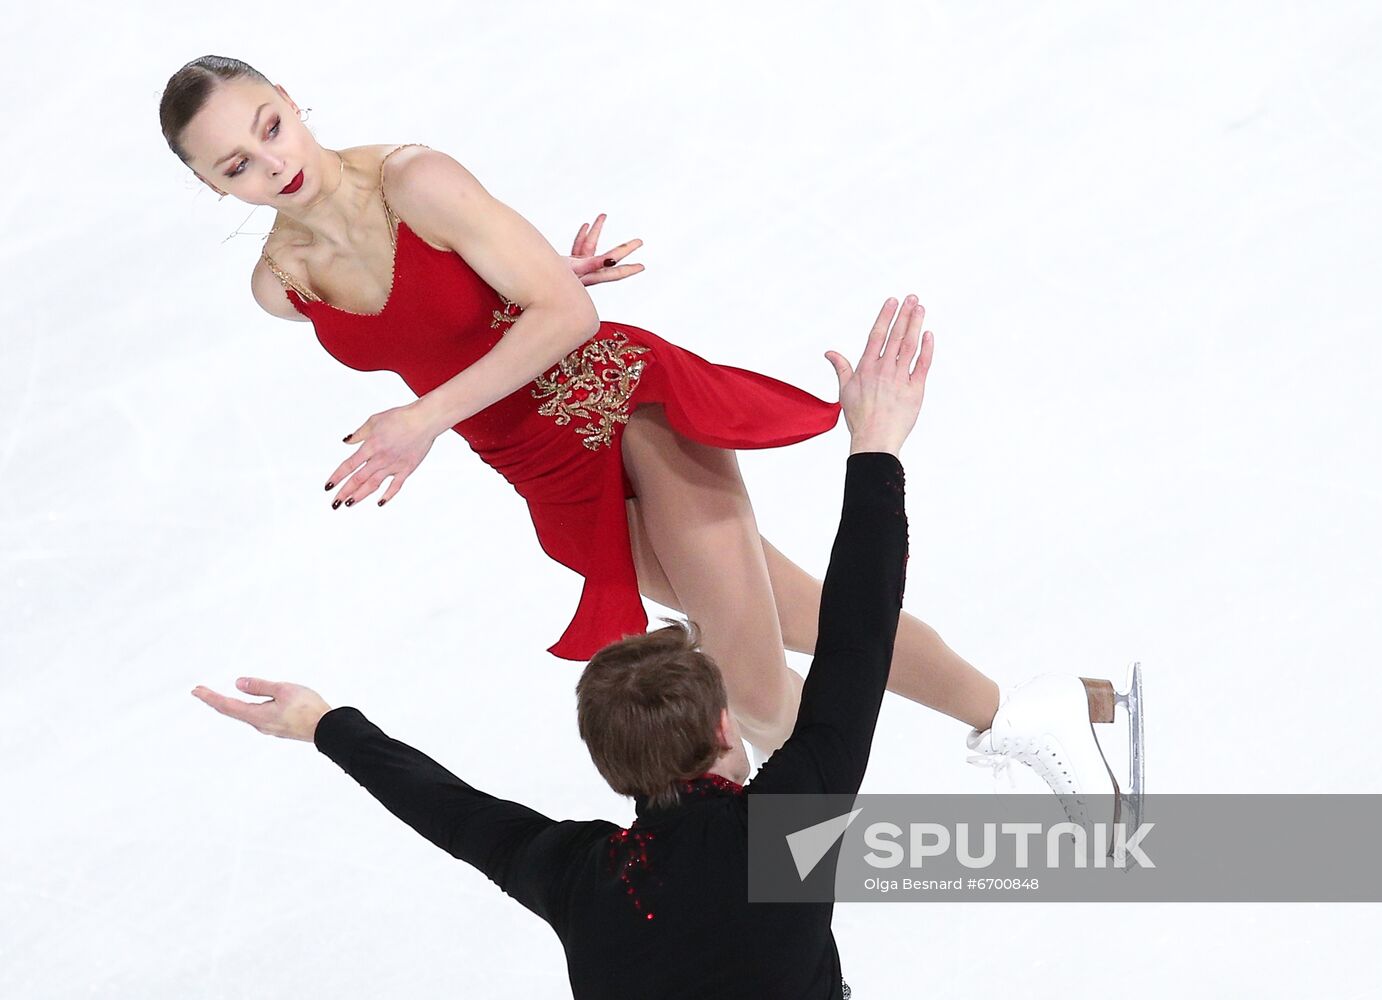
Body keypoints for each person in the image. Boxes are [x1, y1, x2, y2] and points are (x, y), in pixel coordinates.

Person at [164, 56, 1141, 800]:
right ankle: (1024, 712)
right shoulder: (281, 287)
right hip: (541, 473)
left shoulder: (415, 178)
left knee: (751, 685)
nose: (273, 163)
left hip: (619, 409)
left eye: (272, 126)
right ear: (214, 186)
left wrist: (428, 412)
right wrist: (515, 293)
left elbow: (567, 320)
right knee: (807, 616)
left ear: (293, 102)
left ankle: (791, 884)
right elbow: (461, 313)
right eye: (238, 163)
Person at [195, 297, 929, 998]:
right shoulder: (783, 832)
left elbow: (449, 812)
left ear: (609, 765)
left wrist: (324, 725)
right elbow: (860, 633)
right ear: (723, 725)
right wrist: (875, 445)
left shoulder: (585, 879)